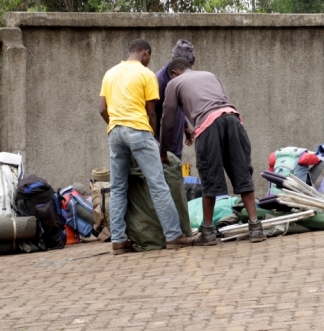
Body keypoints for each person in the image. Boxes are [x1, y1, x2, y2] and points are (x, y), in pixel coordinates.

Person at [99, 39, 192, 254]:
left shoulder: (110, 73)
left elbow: (102, 108)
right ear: (146, 54)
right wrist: (153, 140)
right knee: (158, 184)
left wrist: (115, 125)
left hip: (115, 132)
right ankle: (173, 235)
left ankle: (119, 241)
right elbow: (151, 113)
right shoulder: (146, 74)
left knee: (118, 187)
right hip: (139, 131)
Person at [160, 57, 264, 245]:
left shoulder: (174, 82)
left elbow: (168, 118)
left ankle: (207, 233)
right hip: (233, 119)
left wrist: (164, 151)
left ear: (174, 73)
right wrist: (189, 129)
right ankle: (255, 227)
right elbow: (218, 104)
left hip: (208, 126)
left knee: (209, 175)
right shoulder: (210, 75)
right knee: (242, 172)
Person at [154, 39, 196, 161]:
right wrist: (161, 149)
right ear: (179, 65)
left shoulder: (180, 79)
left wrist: (185, 126)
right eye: (187, 66)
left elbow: (177, 106)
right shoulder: (160, 81)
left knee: (176, 177)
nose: (189, 70)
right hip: (163, 146)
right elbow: (153, 114)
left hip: (176, 143)